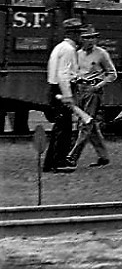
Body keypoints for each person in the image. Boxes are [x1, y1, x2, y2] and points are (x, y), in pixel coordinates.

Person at [41, 19, 91, 172]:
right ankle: (58, 162)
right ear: (74, 34)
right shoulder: (69, 50)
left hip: (56, 89)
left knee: (60, 127)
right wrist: (68, 96)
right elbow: (63, 75)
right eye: (80, 34)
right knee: (64, 129)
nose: (82, 38)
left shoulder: (60, 47)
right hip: (62, 90)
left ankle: (50, 163)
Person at [66, 26, 116, 168]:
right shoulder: (77, 54)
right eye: (87, 37)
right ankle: (103, 156)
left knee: (85, 123)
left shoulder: (101, 54)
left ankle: (72, 156)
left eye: (93, 37)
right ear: (81, 39)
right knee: (90, 125)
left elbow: (112, 74)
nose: (90, 40)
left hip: (93, 90)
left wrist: (98, 86)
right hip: (79, 89)